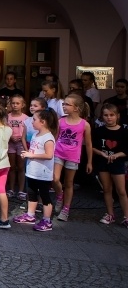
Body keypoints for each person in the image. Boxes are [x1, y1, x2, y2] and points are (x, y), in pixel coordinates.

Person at [16, 109, 59, 231]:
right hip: (33, 171)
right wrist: (28, 153)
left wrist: (31, 155)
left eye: (34, 120)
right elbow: (35, 151)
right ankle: (30, 215)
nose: (32, 122)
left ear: (43, 122)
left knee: (45, 196)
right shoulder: (36, 134)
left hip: (43, 174)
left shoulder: (48, 137)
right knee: (31, 193)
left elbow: (49, 155)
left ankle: (47, 220)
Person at [53, 93, 92, 222]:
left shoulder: (84, 124)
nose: (64, 106)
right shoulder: (61, 121)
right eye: (64, 104)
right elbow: (55, 137)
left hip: (73, 156)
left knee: (69, 183)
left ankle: (66, 209)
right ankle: (60, 195)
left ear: (76, 108)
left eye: (67, 104)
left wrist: (89, 162)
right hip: (58, 153)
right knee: (55, 178)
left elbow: (88, 144)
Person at [92, 103, 128, 227]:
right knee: (107, 189)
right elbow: (92, 147)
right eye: (106, 115)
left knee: (121, 191)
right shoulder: (99, 131)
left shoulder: (124, 132)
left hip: (117, 163)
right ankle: (110, 214)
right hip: (103, 163)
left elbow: (126, 150)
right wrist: (101, 153)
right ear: (102, 116)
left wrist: (117, 155)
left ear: (117, 116)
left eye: (112, 115)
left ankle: (126, 216)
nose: (109, 118)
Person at [6, 95, 29, 200]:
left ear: (22, 105)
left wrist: (22, 138)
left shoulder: (26, 118)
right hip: (10, 143)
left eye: (17, 103)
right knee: (11, 167)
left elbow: (27, 131)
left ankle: (21, 190)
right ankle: (11, 189)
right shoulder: (7, 116)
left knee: (21, 167)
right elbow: (5, 128)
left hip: (21, 143)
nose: (15, 105)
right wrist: (10, 136)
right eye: (13, 103)